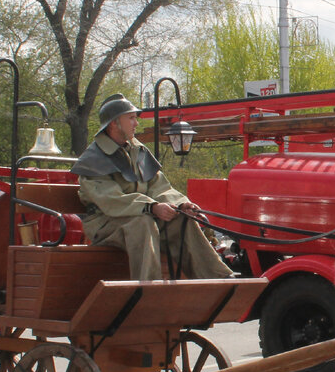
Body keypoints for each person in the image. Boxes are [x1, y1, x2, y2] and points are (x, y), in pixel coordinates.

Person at [71, 93, 234, 281]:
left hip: (139, 216)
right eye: (131, 118)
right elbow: (111, 201)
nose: (136, 123)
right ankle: (148, 289)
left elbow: (159, 187)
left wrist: (181, 204)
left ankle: (219, 280)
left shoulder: (137, 150)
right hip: (105, 223)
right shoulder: (93, 159)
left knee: (182, 221)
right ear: (114, 123)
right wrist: (151, 207)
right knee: (143, 223)